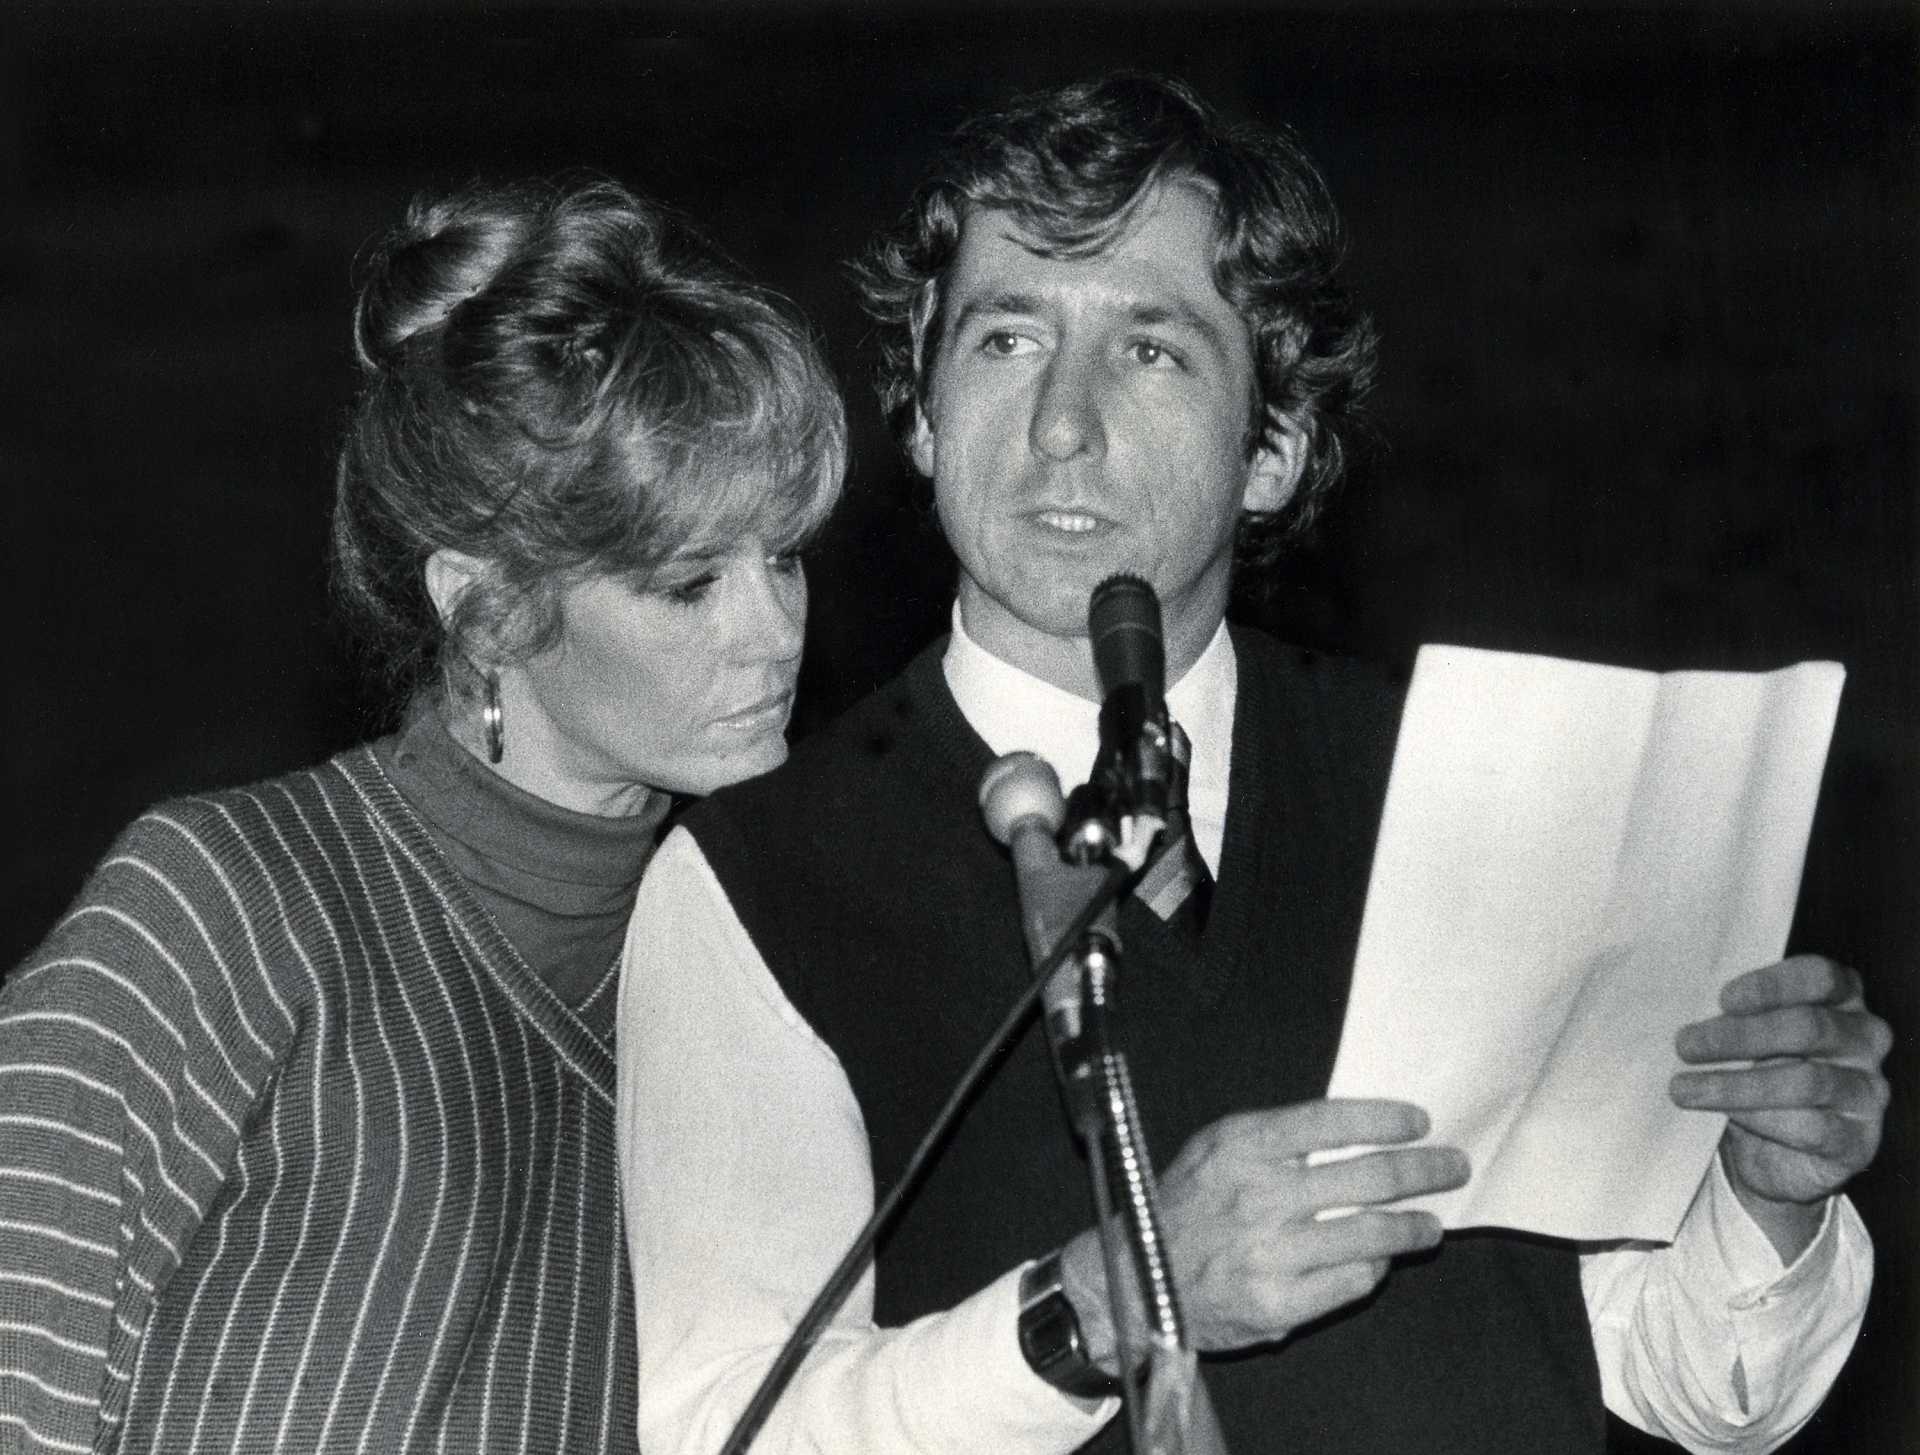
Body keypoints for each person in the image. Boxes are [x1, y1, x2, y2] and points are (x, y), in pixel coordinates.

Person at [618, 75, 1890, 1454]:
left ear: (1273, 448)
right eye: (1002, 339)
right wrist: (1107, 1300)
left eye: (1151, 349)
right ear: (921, 415)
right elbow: (723, 1430)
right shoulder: (757, 877)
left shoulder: (1476, 782)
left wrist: (1770, 1192)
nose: (1060, 421)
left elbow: (1682, 1371)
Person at [0, 177, 844, 1453]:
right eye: (691, 584)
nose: (775, 633)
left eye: (783, 556)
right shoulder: (224, 901)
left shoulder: (738, 1007)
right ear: (489, 606)